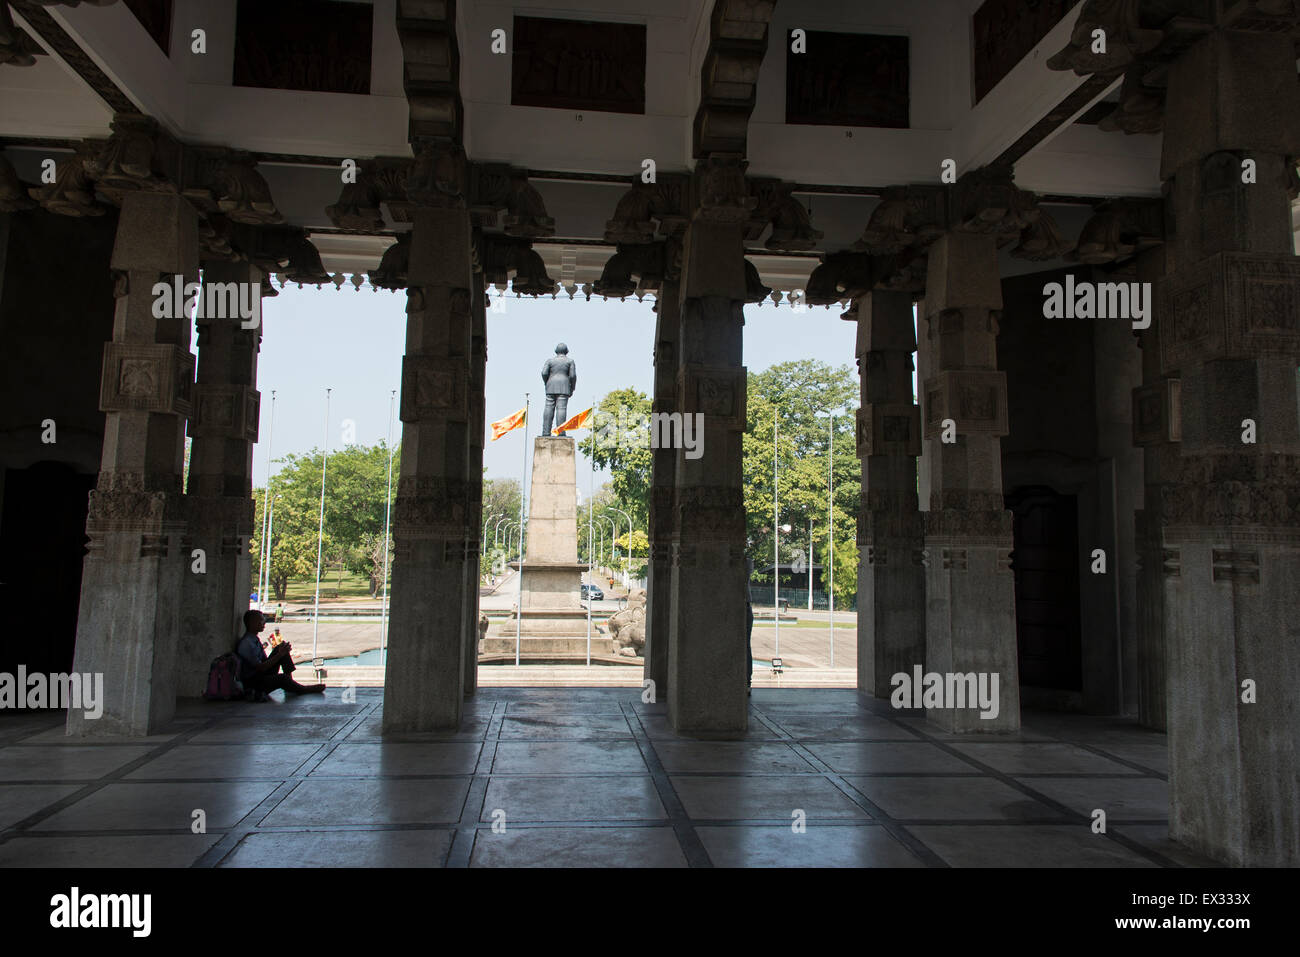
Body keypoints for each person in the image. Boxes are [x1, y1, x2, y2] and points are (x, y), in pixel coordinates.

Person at [236, 610, 324, 697]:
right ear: (252, 623)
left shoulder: (254, 640)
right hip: (254, 682)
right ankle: (302, 689)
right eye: (261, 620)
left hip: (261, 674)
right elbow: (261, 668)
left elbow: (265, 661)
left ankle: (290, 684)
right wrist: (279, 655)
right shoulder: (247, 643)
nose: (264, 623)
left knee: (280, 648)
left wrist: (281, 652)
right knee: (282, 677)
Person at [540, 342, 577, 436]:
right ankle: (561, 433)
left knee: (548, 408)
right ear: (566, 351)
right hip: (564, 387)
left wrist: (547, 383)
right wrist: (572, 387)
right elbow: (572, 376)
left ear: (556, 351)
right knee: (561, 409)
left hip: (550, 385)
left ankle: (545, 432)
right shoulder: (570, 361)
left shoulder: (550, 361)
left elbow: (544, 373)